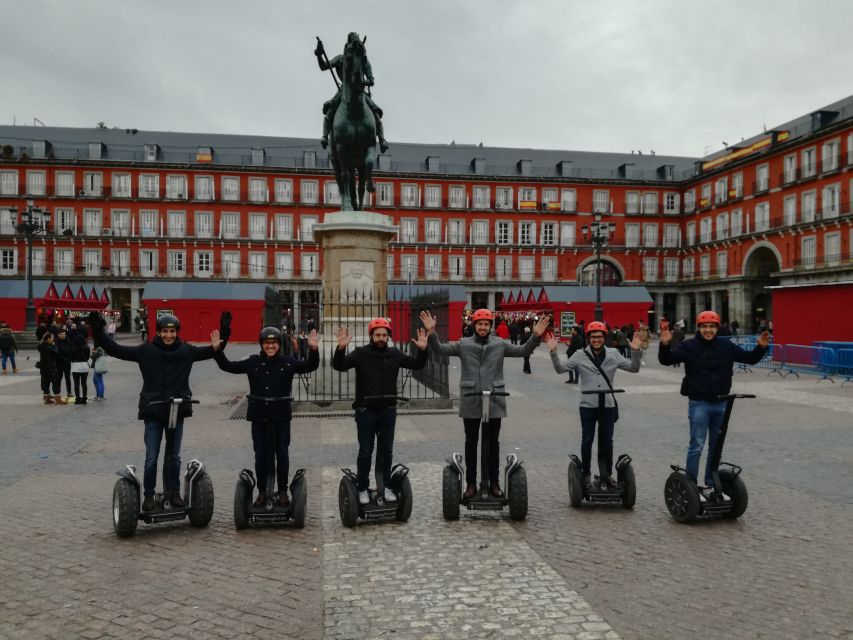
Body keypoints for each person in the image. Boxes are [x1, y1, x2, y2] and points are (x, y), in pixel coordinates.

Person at [89, 311, 227, 511]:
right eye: (165, 331)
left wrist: (222, 335)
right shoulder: (147, 351)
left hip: (176, 410)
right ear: (159, 332)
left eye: (172, 331)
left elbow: (213, 350)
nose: (169, 335)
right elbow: (115, 349)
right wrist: (97, 330)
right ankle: (149, 496)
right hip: (154, 411)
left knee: (174, 457)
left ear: (176, 332)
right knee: (151, 457)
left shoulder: (186, 351)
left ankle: (174, 492)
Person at [421, 309, 550, 498]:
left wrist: (536, 336)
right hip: (471, 398)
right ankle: (471, 483)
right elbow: (440, 349)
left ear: (491, 326)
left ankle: (494, 483)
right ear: (474, 325)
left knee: (493, 444)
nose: (483, 327)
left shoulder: (499, 344)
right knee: (471, 443)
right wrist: (432, 332)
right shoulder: (464, 344)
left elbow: (523, 351)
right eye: (480, 324)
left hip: (494, 398)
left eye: (486, 324)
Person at [658, 311, 770, 491]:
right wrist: (665, 343)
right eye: (704, 327)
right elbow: (666, 360)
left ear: (717, 328)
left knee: (716, 446)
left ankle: (711, 481)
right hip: (699, 403)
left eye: (711, 327)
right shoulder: (689, 346)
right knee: (697, 445)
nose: (708, 330)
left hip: (721, 403)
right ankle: (691, 484)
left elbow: (749, 359)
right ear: (699, 328)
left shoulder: (726, 346)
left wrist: (761, 347)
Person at [211, 325, 320, 506]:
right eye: (267, 343)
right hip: (259, 416)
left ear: (279, 344)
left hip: (281, 416)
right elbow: (227, 366)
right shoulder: (252, 362)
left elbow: (310, 365)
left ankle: (283, 491)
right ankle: (262, 492)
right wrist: (217, 350)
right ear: (262, 344)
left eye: (274, 343)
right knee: (261, 455)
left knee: (282, 455)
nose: (270, 346)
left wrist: (314, 349)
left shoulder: (288, 362)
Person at [332, 317, 428, 505]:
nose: (381, 338)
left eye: (384, 335)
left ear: (388, 336)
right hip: (366, 410)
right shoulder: (360, 354)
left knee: (386, 452)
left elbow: (417, 365)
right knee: (366, 451)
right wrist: (341, 348)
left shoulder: (395, 354)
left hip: (388, 410)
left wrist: (423, 350)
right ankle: (362, 488)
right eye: (378, 335)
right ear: (371, 336)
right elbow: (339, 366)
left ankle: (387, 485)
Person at [546, 321, 643, 489]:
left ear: (604, 338)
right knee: (587, 440)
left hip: (608, 405)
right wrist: (554, 352)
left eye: (599, 337)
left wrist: (635, 350)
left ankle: (606, 475)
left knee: (607, 442)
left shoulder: (613, 354)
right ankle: (586, 475)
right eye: (593, 337)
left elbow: (634, 368)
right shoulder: (579, 354)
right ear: (588, 338)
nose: (596, 340)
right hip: (588, 405)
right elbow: (560, 369)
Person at [315, 32, 389, 152]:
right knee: (330, 110)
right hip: (344, 91)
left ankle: (382, 139)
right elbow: (324, 66)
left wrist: (361, 82)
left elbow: (371, 81)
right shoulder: (340, 59)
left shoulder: (363, 61)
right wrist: (319, 54)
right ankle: (325, 136)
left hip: (360, 91)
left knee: (375, 113)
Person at [37, 332, 67, 405]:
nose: (53, 339)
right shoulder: (49, 347)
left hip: (43, 368)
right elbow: (57, 352)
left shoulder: (41, 346)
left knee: (45, 382)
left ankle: (47, 399)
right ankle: (58, 399)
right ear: (48, 339)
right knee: (55, 382)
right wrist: (54, 345)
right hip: (51, 367)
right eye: (52, 338)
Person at [70, 333, 91, 404]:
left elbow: (71, 358)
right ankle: (84, 398)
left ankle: (78, 399)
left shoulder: (73, 347)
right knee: (84, 383)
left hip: (75, 366)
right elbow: (88, 357)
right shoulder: (86, 347)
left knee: (76, 384)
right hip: (84, 366)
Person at [54, 328, 75, 401]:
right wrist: (63, 358)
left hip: (67, 362)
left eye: (64, 334)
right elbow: (56, 353)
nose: (64, 335)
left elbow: (72, 350)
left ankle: (69, 392)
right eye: (62, 334)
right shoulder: (56, 343)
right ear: (58, 335)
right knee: (58, 378)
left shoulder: (68, 341)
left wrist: (69, 358)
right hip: (59, 363)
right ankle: (57, 392)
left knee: (68, 378)